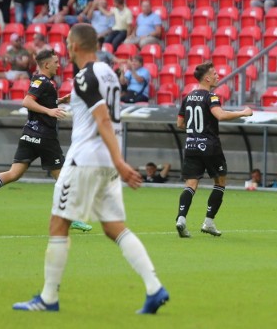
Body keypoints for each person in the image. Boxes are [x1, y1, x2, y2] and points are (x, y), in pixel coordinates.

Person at [12, 24, 168, 313]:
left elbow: (103, 119)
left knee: (58, 223)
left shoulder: (84, 76)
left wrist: (121, 161)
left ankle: (48, 298)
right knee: (113, 227)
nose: (66, 48)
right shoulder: (108, 72)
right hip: (105, 161)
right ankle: (154, 287)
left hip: (85, 159)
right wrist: (116, 160)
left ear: (75, 45)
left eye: (68, 43)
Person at [0, 50, 92, 231]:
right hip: (45, 137)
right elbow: (27, 101)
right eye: (56, 62)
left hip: (29, 135)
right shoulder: (42, 81)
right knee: (64, 179)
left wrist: (58, 101)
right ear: (47, 65)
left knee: (14, 173)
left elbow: (39, 101)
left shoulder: (42, 81)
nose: (59, 65)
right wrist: (50, 111)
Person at [174, 61, 254, 238]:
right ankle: (208, 222)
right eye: (215, 74)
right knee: (219, 182)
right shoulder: (211, 97)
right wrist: (243, 112)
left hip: (191, 146)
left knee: (191, 185)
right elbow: (221, 115)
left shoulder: (187, 98)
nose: (218, 76)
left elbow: (179, 123)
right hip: (210, 147)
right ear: (207, 78)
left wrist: (196, 130)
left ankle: (181, 218)